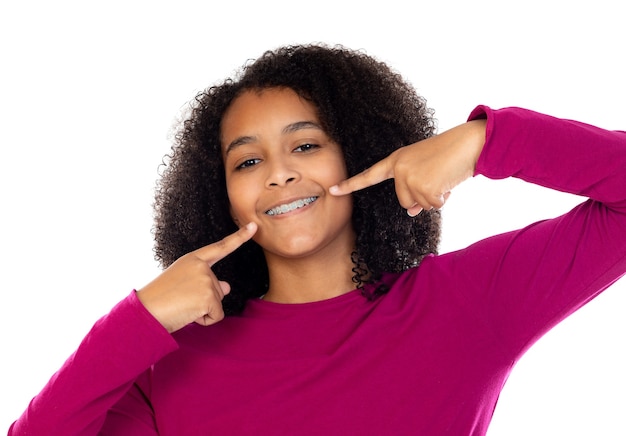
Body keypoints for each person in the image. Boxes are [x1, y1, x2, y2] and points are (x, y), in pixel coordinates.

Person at [8, 44, 626, 435]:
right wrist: (136, 319)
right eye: (247, 162)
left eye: (306, 146)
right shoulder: (171, 365)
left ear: (358, 154)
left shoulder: (468, 303)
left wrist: (485, 142)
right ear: (219, 195)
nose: (279, 172)